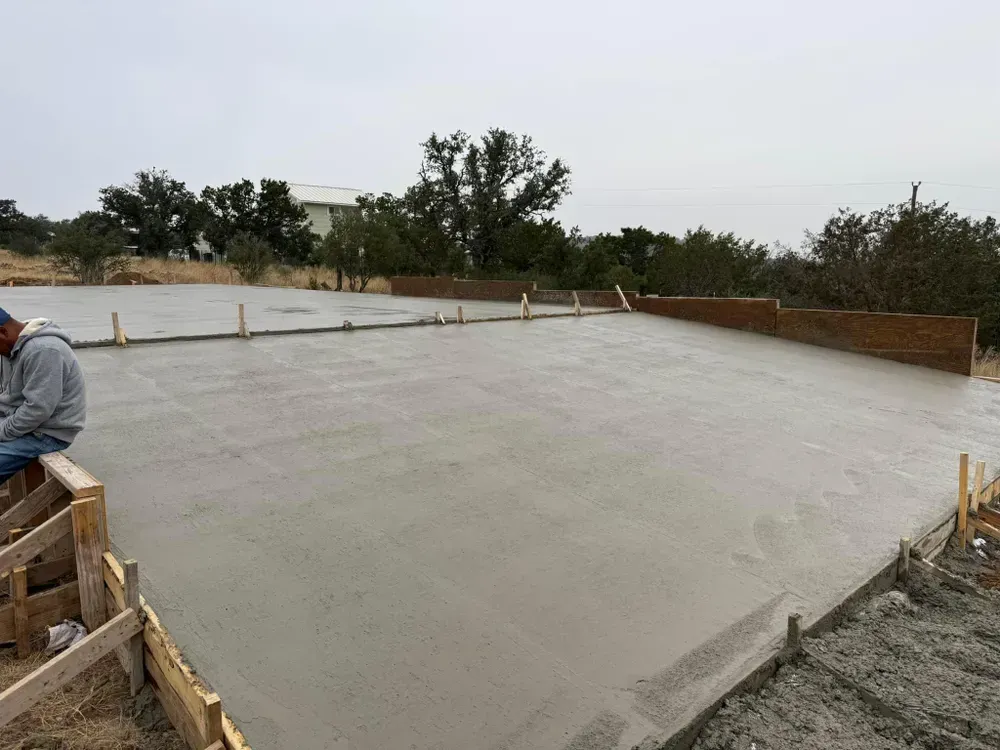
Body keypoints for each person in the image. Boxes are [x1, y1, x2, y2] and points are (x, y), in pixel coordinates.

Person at [0, 307, 86, 484]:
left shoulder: (44, 350)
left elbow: (37, 410)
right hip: (18, 424)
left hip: (46, 433)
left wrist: (1, 431)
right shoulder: (9, 347)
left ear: (2, 332)